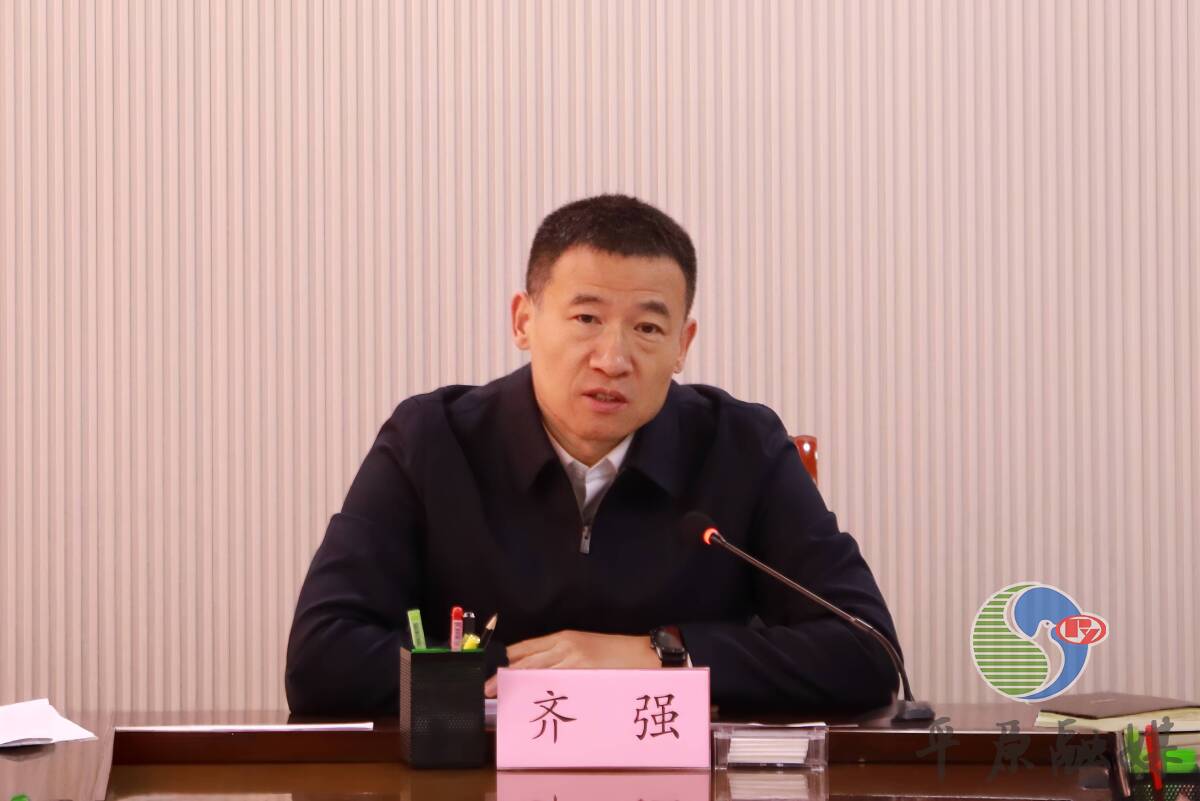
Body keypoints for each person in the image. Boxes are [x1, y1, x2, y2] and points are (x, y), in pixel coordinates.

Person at [285, 194, 901, 715]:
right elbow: (321, 659)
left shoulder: (742, 447)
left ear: (682, 344)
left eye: (648, 328)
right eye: (586, 317)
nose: (613, 358)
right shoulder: (431, 440)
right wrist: (525, 677)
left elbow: (868, 651)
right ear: (523, 321)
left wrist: (660, 655)